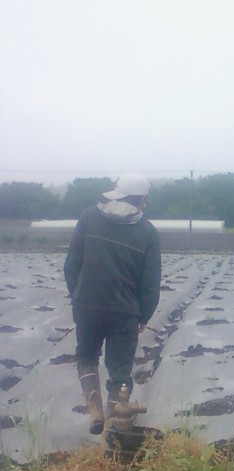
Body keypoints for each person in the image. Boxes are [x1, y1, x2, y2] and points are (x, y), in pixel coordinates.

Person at [64, 174, 162, 434]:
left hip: (88, 306)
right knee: (120, 371)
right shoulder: (148, 233)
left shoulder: (89, 217)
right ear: (141, 200)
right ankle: (114, 425)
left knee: (86, 356)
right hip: (125, 312)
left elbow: (72, 264)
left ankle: (95, 412)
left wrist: (78, 296)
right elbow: (150, 284)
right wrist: (143, 316)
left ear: (118, 194)